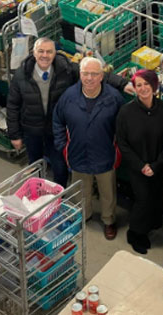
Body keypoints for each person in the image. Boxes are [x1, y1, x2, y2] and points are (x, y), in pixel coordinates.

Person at [6, 37, 134, 187]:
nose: (45, 55)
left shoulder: (66, 69)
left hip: (55, 130)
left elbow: (93, 73)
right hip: (32, 129)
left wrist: (123, 83)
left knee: (59, 166)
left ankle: (59, 196)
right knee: (35, 164)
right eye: (41, 51)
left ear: (55, 53)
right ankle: (37, 192)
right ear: (34, 53)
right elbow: (13, 105)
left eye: (49, 51)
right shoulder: (22, 75)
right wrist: (15, 135)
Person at [53, 57, 124, 240]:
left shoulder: (114, 99)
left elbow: (123, 128)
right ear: (80, 75)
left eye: (94, 74)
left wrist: (118, 150)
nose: (90, 78)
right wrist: (63, 147)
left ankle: (109, 221)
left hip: (104, 155)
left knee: (107, 193)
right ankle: (84, 215)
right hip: (77, 155)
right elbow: (57, 121)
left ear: (102, 76)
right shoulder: (68, 97)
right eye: (86, 73)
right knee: (81, 191)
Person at [115, 70, 163, 254]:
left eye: (146, 84)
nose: (143, 88)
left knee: (156, 196)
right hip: (137, 166)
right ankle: (136, 233)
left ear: (154, 86)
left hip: (158, 164)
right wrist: (141, 166)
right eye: (138, 85)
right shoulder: (126, 112)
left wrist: (156, 165)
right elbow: (122, 143)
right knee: (143, 199)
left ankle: (152, 224)